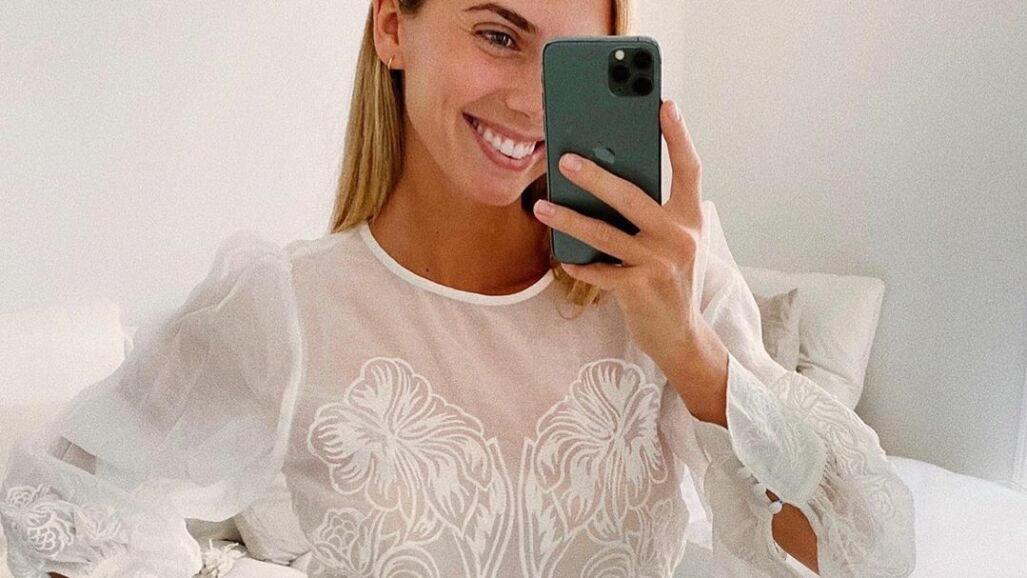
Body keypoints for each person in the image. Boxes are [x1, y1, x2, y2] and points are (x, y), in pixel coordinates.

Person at [0, 1, 916, 576]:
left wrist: (692, 352)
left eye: (569, 64)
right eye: (497, 36)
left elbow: (866, 556)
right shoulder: (287, 306)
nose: (531, 101)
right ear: (392, 27)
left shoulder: (670, 284)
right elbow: (58, 500)